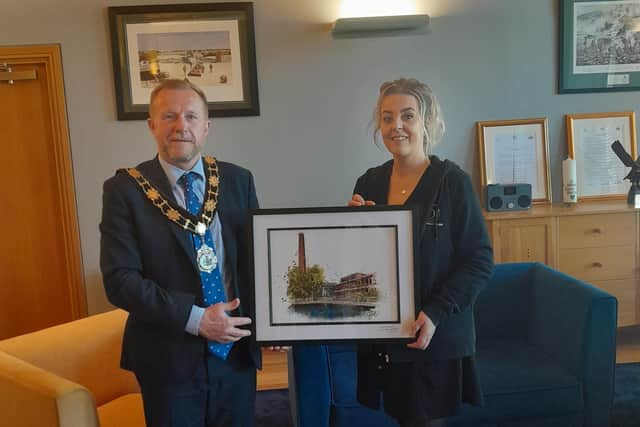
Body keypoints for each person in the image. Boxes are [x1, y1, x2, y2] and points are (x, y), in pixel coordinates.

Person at [100, 79, 260, 427]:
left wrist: (272, 325)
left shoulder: (238, 180)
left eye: (190, 116)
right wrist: (197, 319)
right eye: (169, 115)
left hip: (236, 353)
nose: (180, 126)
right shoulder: (124, 190)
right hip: (167, 356)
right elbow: (119, 280)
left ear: (206, 126)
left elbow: (256, 264)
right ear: (151, 125)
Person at [348, 78, 494, 427]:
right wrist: (350, 228)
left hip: (433, 333)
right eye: (386, 117)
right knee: (401, 417)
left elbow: (479, 261)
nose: (395, 126)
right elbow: (358, 263)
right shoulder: (367, 183)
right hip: (385, 335)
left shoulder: (452, 182)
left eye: (407, 116)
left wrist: (435, 313)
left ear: (427, 122)